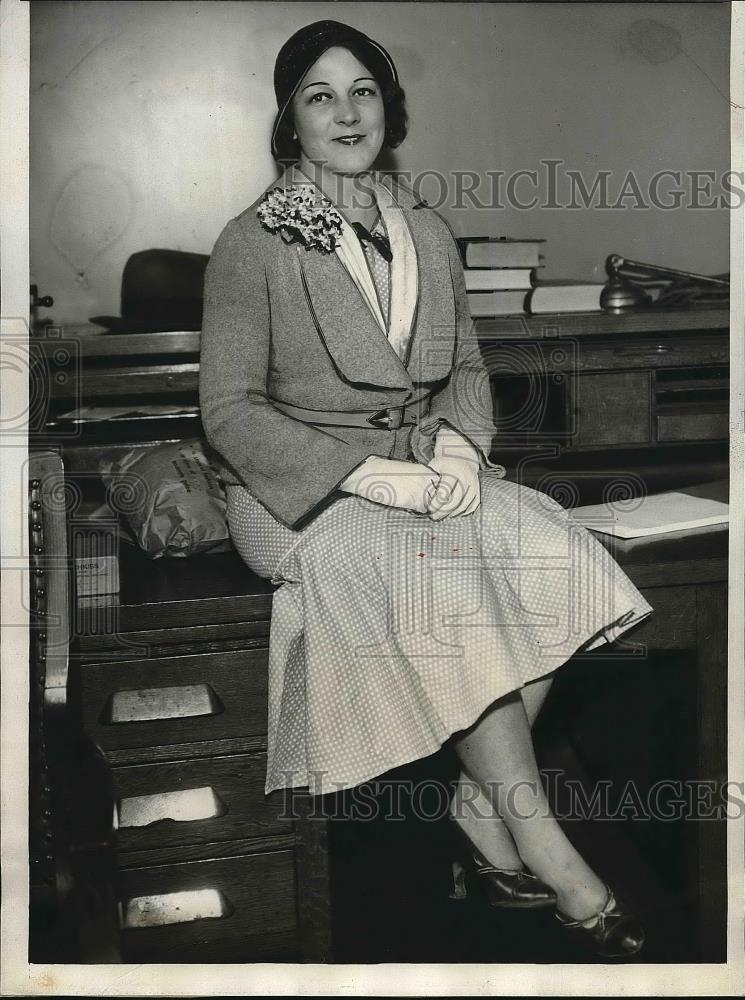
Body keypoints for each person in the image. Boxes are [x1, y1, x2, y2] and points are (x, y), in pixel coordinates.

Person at [199, 18, 654, 959]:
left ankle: (473, 802)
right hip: (302, 495)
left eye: (363, 89)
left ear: (388, 107)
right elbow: (230, 414)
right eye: (319, 94)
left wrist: (453, 449)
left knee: (557, 553)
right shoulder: (251, 243)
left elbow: (466, 371)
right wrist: (368, 476)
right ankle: (545, 844)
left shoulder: (427, 229)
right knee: (450, 583)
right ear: (289, 118)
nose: (345, 111)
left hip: (420, 473)